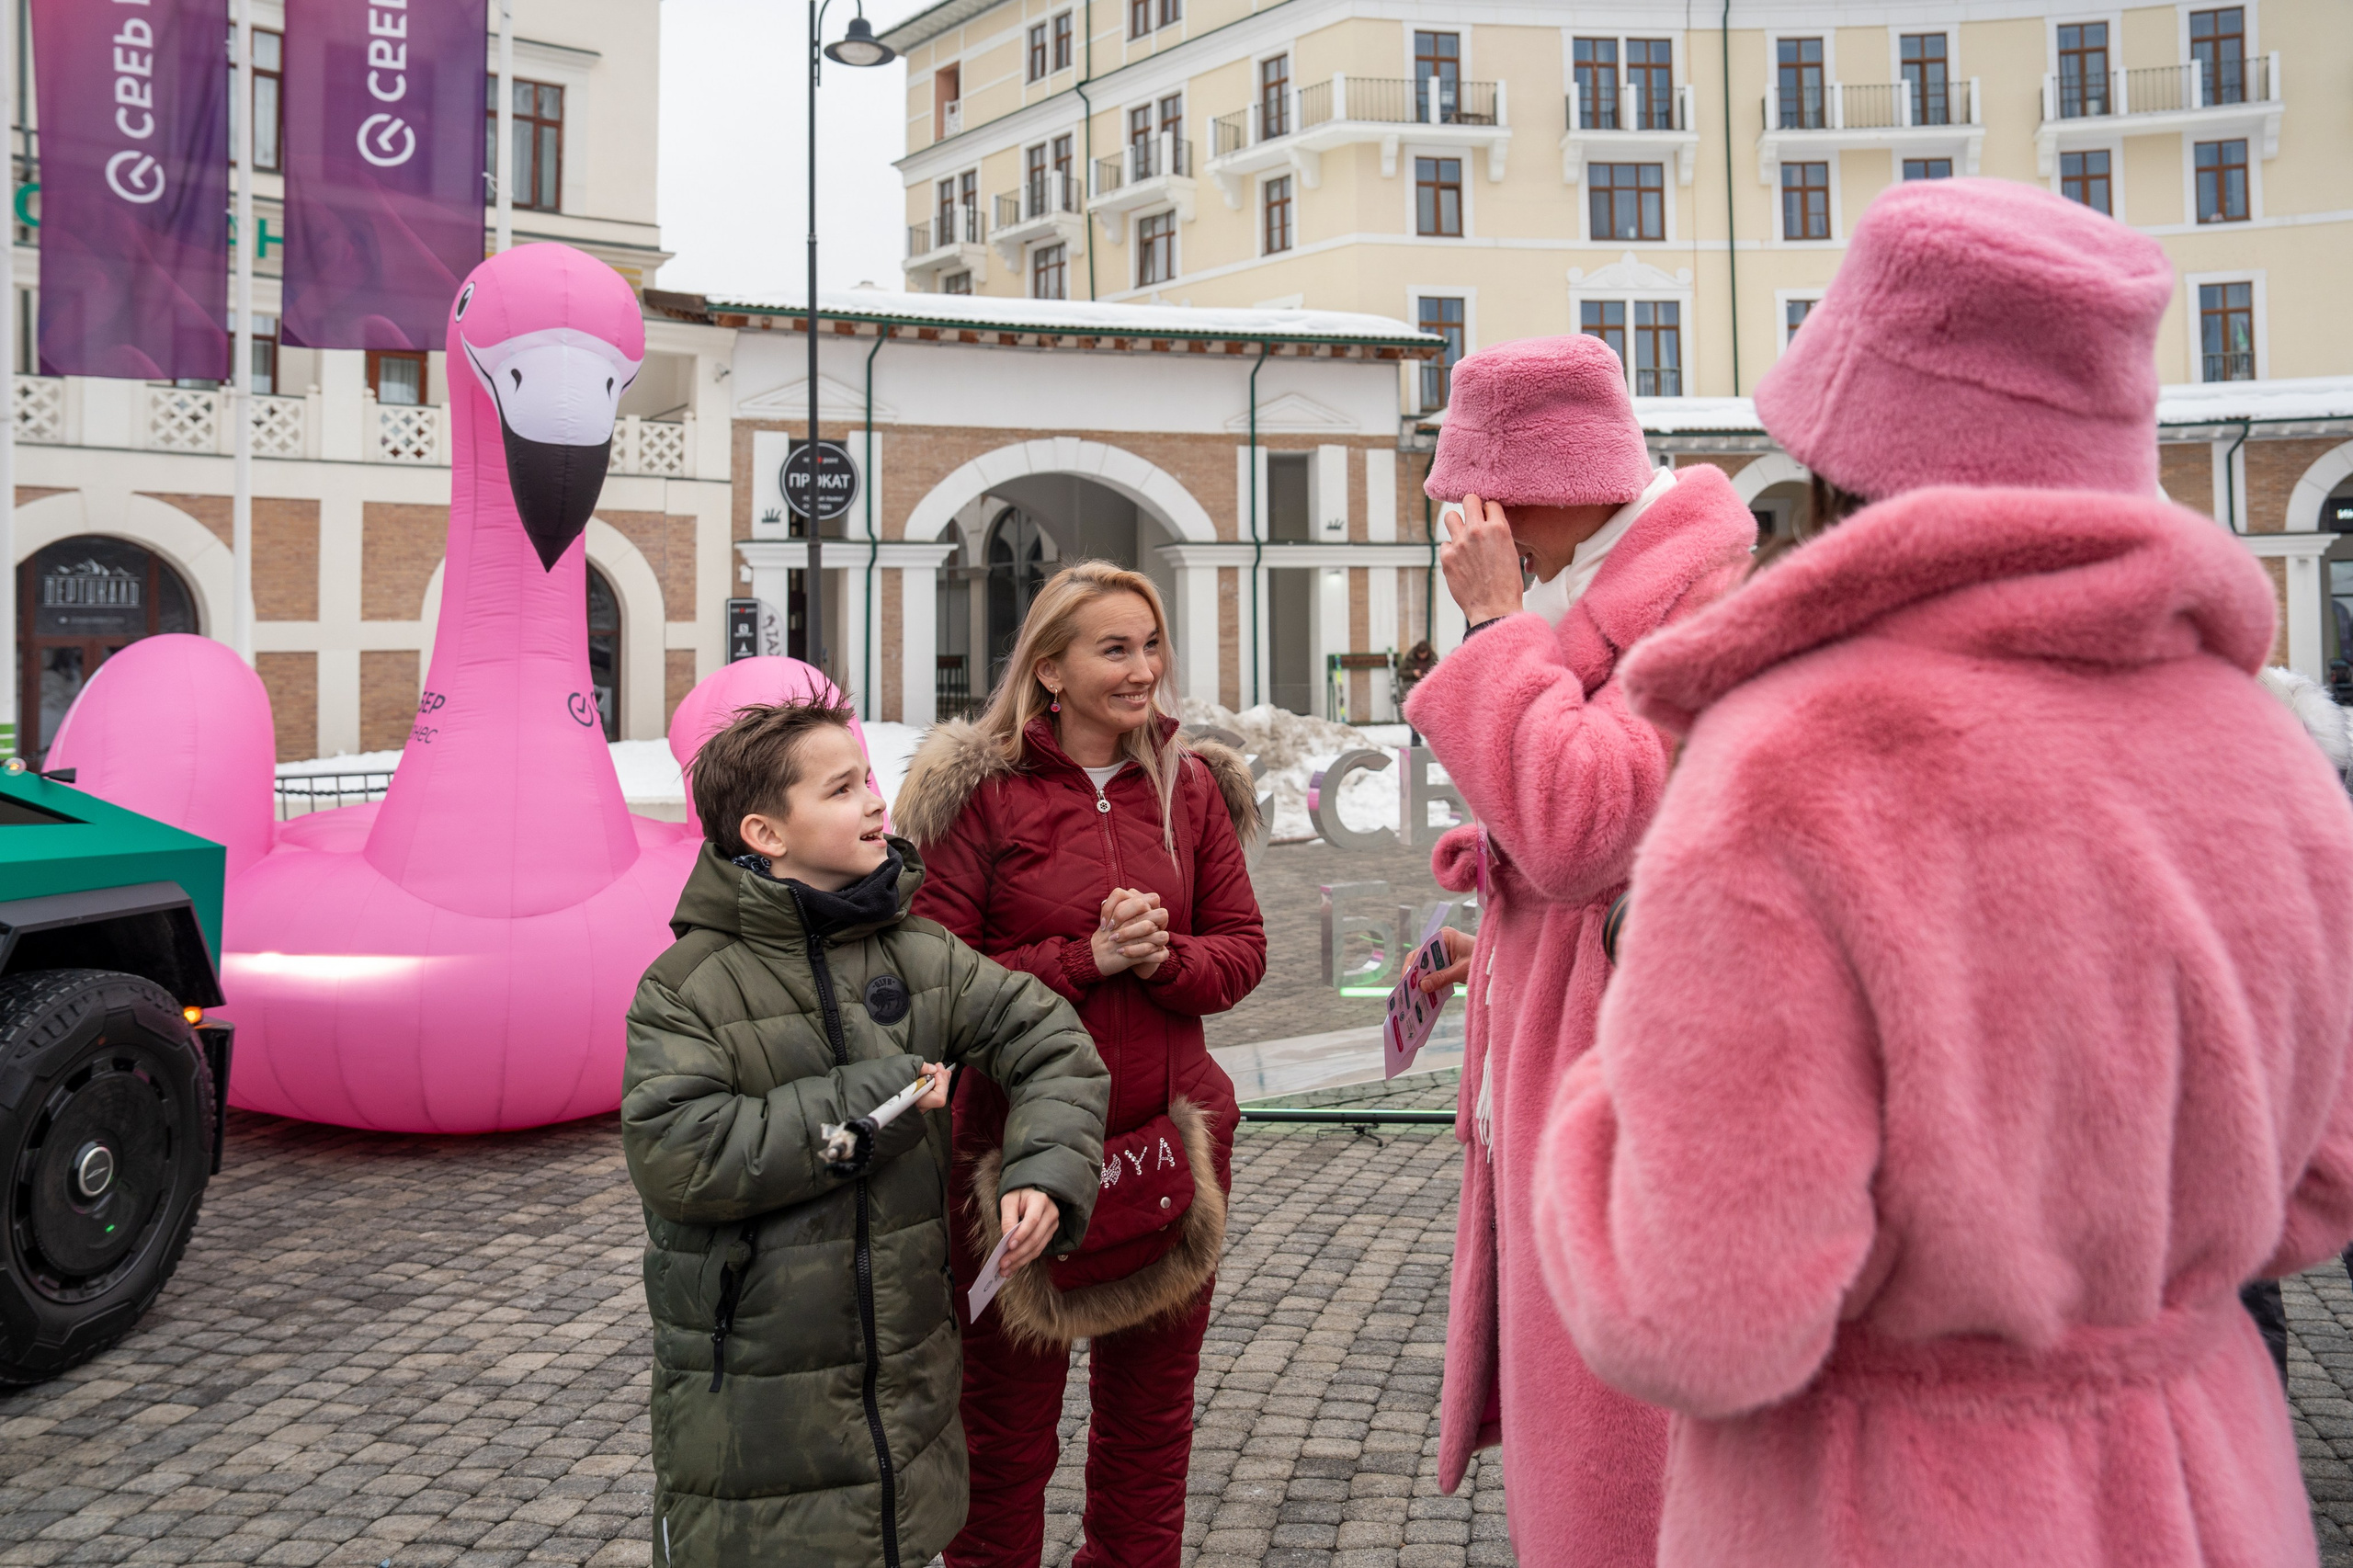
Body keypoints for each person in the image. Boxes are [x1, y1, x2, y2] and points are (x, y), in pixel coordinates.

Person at [1535, 176, 2353, 1566]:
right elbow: (2322, 1181)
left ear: (1849, 442)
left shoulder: (1789, 760)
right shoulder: (2266, 753)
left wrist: (1604, 1092)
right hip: (2209, 1484)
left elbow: (1703, 1313)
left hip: (1874, 1505)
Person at [1397, 333, 1757, 1564]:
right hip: (1575, 1061)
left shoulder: (1695, 604)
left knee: (1624, 1458)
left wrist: (1497, 628)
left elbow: (1584, 829)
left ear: (1549, 478)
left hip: (1633, 1090)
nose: (1469, 518)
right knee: (1584, 1439)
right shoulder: (1618, 585)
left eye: (1483, 490)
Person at [621, 699, 1110, 1568]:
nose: (876, 801)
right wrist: (881, 1098)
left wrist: (1042, 1168)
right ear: (766, 832)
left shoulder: (918, 953)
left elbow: (1053, 1043)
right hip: (757, 1414)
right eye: (842, 788)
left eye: (867, 778)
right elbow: (682, 1156)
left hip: (904, 1400)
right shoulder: (687, 986)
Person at [894, 561, 1267, 1568]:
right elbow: (932, 978)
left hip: (1167, 1151)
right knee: (1004, 1431)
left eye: (1151, 644)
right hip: (1008, 1157)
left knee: (1151, 1426)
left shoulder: (1189, 784)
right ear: (1050, 669)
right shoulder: (980, 793)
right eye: (1115, 647)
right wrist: (1081, 959)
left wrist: (1163, 957)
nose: (1143, 667)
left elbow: (1240, 947)